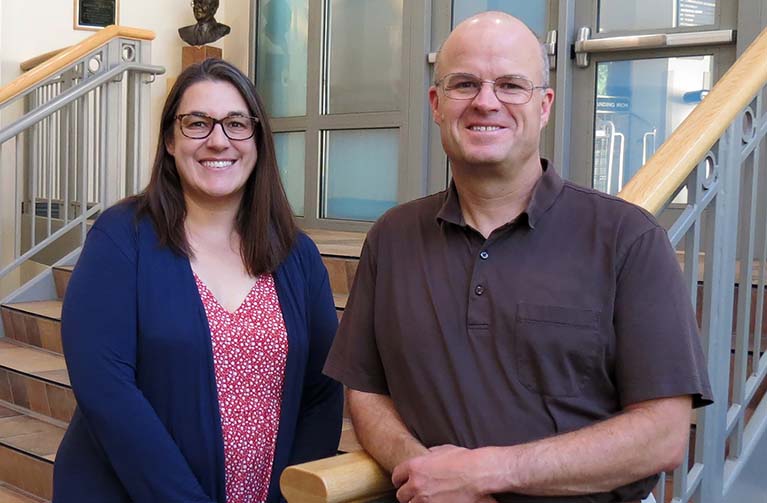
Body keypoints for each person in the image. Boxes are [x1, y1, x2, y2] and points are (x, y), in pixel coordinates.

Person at [323, 11, 712, 503]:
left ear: (544, 105)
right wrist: (423, 471)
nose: (486, 102)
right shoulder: (392, 239)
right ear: (436, 104)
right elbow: (366, 391)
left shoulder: (627, 239)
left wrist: (487, 473)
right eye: (464, 83)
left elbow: (662, 435)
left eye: (511, 85)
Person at [53, 58, 342, 503]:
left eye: (236, 123)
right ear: (170, 139)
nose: (218, 140)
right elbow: (105, 389)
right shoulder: (121, 239)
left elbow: (322, 392)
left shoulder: (296, 255)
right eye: (197, 123)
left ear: (258, 139)